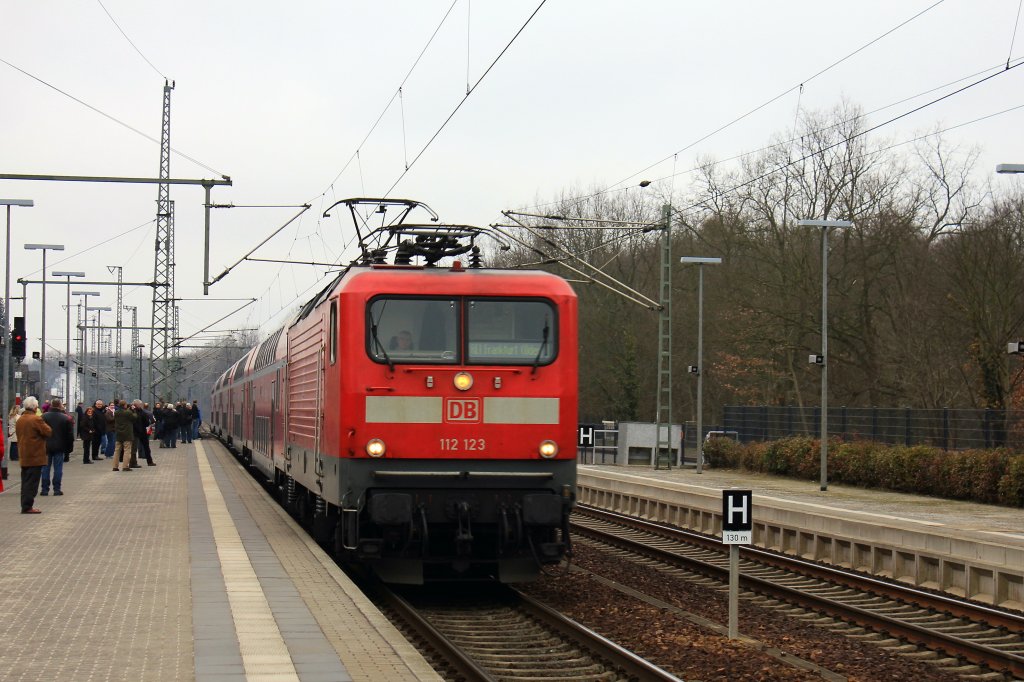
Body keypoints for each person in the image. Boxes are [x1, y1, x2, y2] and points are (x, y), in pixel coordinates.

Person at [15, 396, 52, 514]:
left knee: (25, 481)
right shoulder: (36, 419)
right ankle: (27, 506)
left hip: (24, 454)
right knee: (32, 483)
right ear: (35, 407)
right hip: (35, 455)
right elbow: (48, 431)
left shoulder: (20, 419)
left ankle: (24, 505)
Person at [41, 398, 74, 496]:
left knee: (45, 468)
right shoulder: (66, 418)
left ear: (51, 405)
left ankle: (44, 489)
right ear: (60, 405)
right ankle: (57, 489)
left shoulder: (43, 417)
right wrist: (69, 448)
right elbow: (70, 435)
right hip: (60, 446)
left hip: (46, 446)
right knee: (58, 468)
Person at [112, 400, 137, 472]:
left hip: (118, 434)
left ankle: (115, 466)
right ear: (125, 405)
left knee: (117, 451)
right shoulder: (128, 412)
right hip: (127, 434)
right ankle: (125, 466)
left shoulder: (116, 413)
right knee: (127, 450)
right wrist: (133, 410)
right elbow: (134, 417)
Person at [132, 400, 155, 466]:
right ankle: (149, 461)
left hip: (135, 431)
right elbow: (147, 422)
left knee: (134, 448)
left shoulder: (132, 412)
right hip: (142, 431)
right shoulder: (143, 412)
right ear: (138, 405)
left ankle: (133, 462)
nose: (141, 405)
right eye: (140, 404)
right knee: (146, 447)